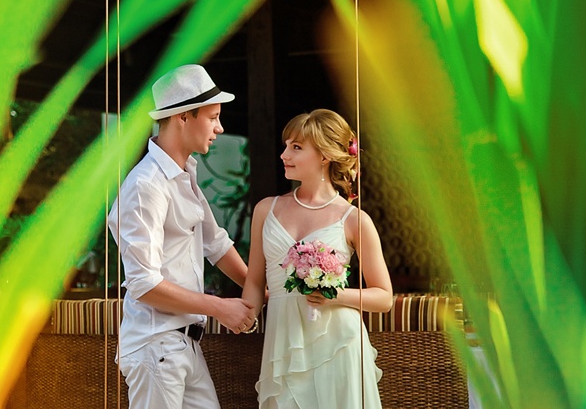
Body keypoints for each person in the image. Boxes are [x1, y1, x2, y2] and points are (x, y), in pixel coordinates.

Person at [108, 64, 256, 409]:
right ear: (183, 117)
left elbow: (215, 243)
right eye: (213, 117)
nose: (220, 128)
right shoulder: (146, 186)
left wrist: (263, 292)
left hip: (183, 346)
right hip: (155, 347)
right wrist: (220, 308)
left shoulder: (184, 173)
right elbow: (144, 284)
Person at [242, 108, 393, 408]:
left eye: (296, 147)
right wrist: (241, 317)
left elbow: (384, 297)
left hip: (339, 345)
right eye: (286, 146)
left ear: (324, 156)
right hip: (284, 344)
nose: (284, 154)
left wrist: (334, 295)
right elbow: (255, 283)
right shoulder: (265, 210)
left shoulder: (354, 219)